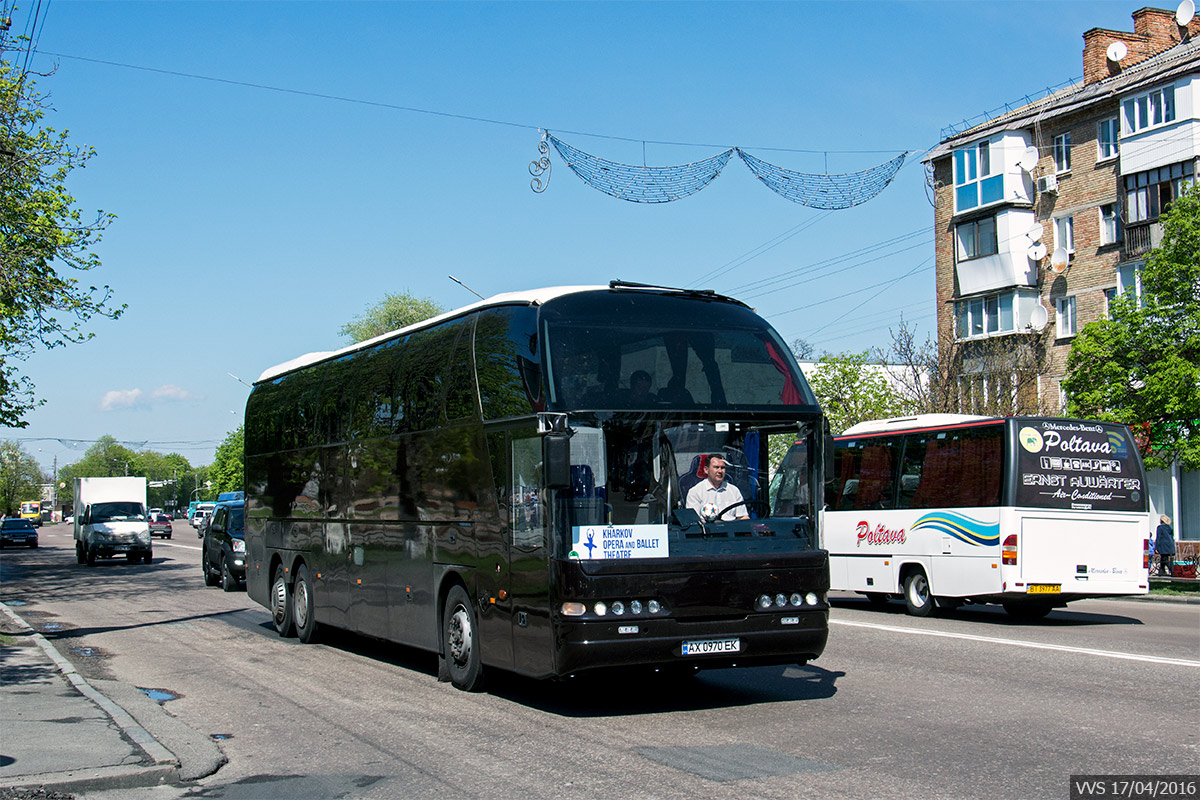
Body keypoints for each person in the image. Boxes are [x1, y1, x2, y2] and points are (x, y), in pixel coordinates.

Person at [686, 454, 749, 521]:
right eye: (716, 467)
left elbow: (743, 517)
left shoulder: (734, 491)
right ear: (706, 470)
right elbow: (694, 521)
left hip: (732, 529)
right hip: (707, 530)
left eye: (722, 468)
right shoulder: (695, 492)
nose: (720, 471)